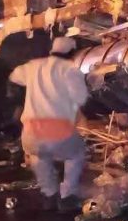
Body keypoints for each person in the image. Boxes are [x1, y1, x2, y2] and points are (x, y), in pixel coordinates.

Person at [9, 36, 89, 211]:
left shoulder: (33, 66)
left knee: (39, 156)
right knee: (76, 153)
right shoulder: (70, 70)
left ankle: (49, 194)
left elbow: (14, 75)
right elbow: (81, 98)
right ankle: (68, 195)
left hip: (30, 133)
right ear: (72, 53)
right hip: (58, 131)